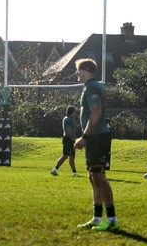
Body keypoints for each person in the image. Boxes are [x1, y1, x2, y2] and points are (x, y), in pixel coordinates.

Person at [74, 58, 119, 231]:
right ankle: (97, 217)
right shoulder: (91, 86)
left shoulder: (92, 87)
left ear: (86, 70)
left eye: (79, 70)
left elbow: (96, 113)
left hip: (97, 137)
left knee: (99, 177)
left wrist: (84, 136)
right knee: (93, 176)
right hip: (95, 136)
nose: (77, 73)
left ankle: (112, 219)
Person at [51, 106, 79, 177]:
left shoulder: (69, 119)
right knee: (67, 156)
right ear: (72, 112)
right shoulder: (68, 120)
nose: (76, 113)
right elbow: (68, 130)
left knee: (70, 156)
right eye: (75, 111)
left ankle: (74, 172)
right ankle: (55, 169)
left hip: (68, 139)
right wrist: (72, 138)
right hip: (68, 139)